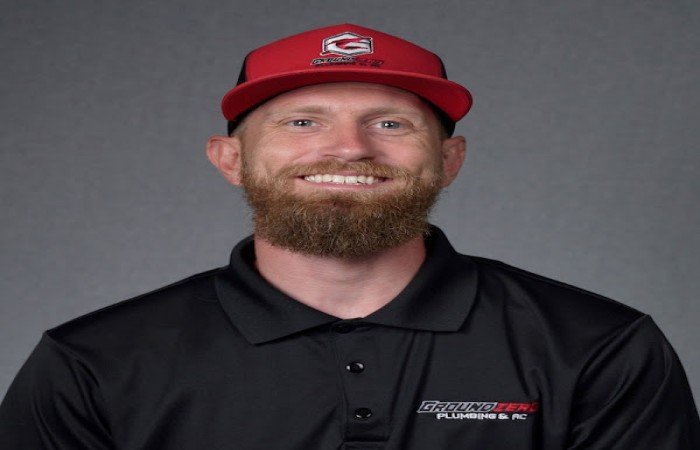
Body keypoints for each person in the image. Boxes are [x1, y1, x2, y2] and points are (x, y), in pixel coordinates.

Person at [1, 23, 698, 449]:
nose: (350, 148)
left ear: (450, 160)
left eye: (390, 123)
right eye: (302, 122)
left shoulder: (596, 346)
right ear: (230, 158)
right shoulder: (94, 362)